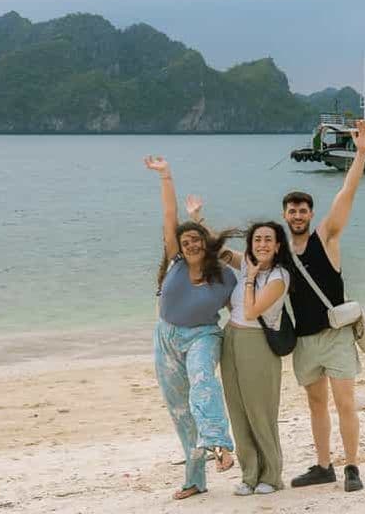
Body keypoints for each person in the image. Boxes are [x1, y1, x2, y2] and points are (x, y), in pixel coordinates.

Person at [284, 120, 365, 492]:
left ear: (310, 214)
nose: (298, 215)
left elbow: (347, 192)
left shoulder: (327, 238)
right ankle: (324, 465)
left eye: (303, 209)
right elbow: (246, 266)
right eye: (292, 210)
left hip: (336, 335)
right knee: (316, 404)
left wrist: (362, 152)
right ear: (285, 216)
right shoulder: (281, 254)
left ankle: (352, 465)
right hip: (304, 340)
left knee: (345, 402)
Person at [144, 156, 237, 500]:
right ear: (180, 247)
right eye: (186, 242)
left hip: (203, 335)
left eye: (197, 239)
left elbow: (241, 312)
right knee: (180, 410)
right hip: (166, 337)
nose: (192, 245)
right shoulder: (176, 263)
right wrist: (166, 177)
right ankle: (196, 479)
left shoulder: (226, 276)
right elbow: (170, 217)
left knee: (202, 382)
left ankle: (221, 448)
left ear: (206, 242)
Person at [220, 222, 293, 496]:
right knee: (238, 410)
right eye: (257, 239)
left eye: (267, 240)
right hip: (231, 339)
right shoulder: (244, 265)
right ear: (250, 245)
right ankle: (249, 474)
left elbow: (251, 312)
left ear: (277, 246)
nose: (261, 244)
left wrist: (250, 278)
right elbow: (219, 251)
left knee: (260, 411)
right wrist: (198, 218)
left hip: (258, 343)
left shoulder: (279, 276)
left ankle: (271, 475)